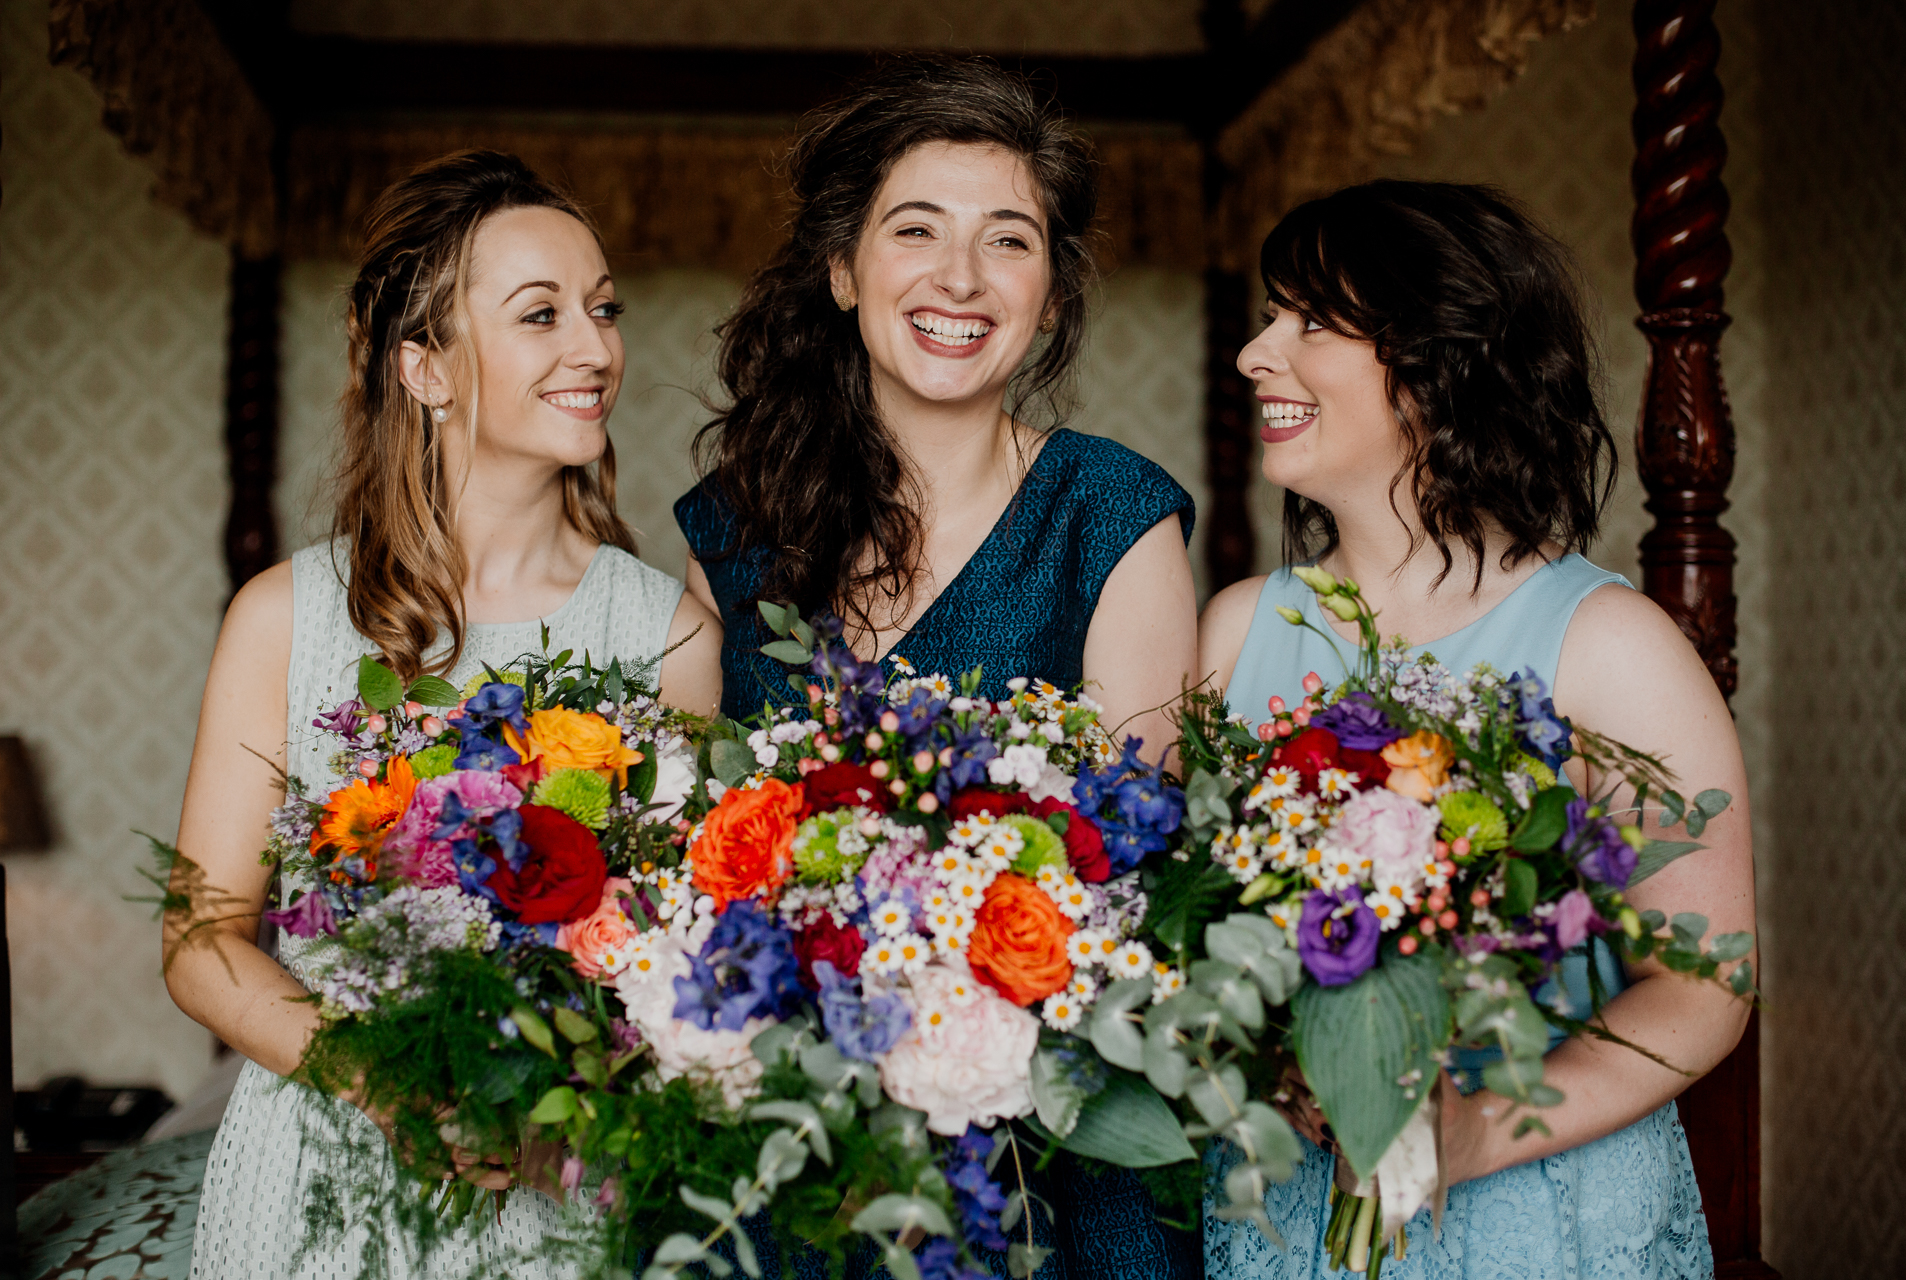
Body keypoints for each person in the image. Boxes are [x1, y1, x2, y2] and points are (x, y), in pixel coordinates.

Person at [675, 56, 1201, 1280]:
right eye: (916, 230)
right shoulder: (729, 534)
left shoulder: (1113, 514)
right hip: (789, 1151)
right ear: (845, 269)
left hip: (1050, 1159)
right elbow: (682, 867)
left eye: (1008, 241)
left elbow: (1137, 870)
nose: (961, 279)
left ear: (1054, 296)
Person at [170, 150, 721, 1277]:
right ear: (424, 364)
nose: (596, 348)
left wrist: (555, 1091)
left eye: (603, 308)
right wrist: (386, 1079)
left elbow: (676, 954)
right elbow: (198, 938)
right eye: (541, 314)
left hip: (559, 1188)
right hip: (322, 1172)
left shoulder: (668, 637)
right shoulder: (287, 615)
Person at [1196, 181, 1753, 1279]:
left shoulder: (1609, 643)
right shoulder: (1234, 631)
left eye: (1309, 320)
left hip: (1539, 1215)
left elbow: (1702, 988)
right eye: (1269, 315)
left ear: (1442, 359)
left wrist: (1481, 1129)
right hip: (1284, 1205)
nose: (1259, 352)